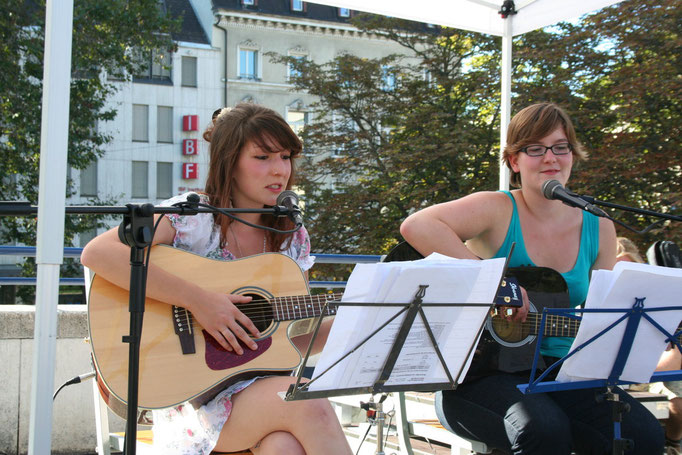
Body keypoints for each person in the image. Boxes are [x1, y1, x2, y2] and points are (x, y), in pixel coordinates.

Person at [81, 103, 352, 455]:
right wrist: (199, 301)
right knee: (306, 399)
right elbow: (98, 254)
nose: (279, 170)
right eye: (263, 157)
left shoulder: (291, 237)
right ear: (229, 162)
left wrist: (355, 323)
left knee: (284, 447)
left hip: (255, 392)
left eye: (285, 157)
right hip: (190, 401)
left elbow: (281, 345)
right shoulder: (193, 218)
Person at [400, 103, 663, 455]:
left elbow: (606, 311)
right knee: (543, 429)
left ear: (572, 154)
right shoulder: (497, 207)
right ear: (514, 161)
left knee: (644, 435)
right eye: (535, 149)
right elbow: (417, 225)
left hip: (559, 371)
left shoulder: (598, 225)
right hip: (478, 376)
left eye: (560, 146)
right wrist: (495, 282)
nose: (550, 158)